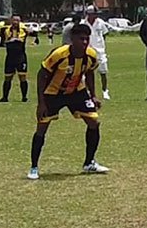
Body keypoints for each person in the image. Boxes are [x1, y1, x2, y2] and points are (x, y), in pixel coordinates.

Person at [28, 23, 109, 180]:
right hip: (53, 94)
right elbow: (41, 75)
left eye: (87, 39)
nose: (85, 43)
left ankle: (89, 163)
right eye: (81, 39)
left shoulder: (90, 55)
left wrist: (93, 95)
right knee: (42, 128)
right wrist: (41, 103)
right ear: (72, 39)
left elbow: (90, 73)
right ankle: (34, 167)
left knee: (94, 122)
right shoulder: (60, 54)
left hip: (76, 92)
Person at [0, 15, 33, 103]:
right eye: (14, 20)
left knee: (22, 77)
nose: (15, 22)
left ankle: (24, 97)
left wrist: (15, 39)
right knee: (7, 78)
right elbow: (4, 39)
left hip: (20, 57)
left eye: (17, 20)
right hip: (10, 57)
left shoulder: (23, 30)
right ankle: (5, 97)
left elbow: (26, 36)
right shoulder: (6, 30)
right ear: (11, 20)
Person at [83, 5, 114, 100]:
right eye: (92, 14)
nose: (94, 16)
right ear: (88, 14)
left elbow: (104, 34)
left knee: (103, 72)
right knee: (87, 72)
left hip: (100, 51)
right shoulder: (83, 23)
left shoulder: (100, 23)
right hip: (88, 51)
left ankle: (105, 91)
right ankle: (88, 92)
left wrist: (101, 46)